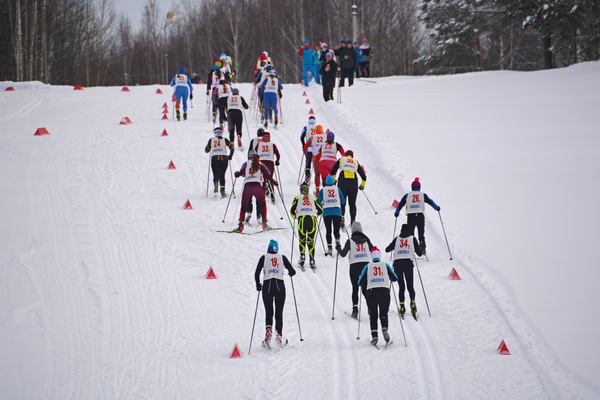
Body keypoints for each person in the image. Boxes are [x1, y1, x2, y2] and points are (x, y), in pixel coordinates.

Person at [254, 239, 296, 348]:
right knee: (278, 313)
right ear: (277, 249)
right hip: (279, 286)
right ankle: (278, 336)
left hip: (267, 286)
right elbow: (293, 271)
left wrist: (258, 285)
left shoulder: (264, 257)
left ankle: (268, 333)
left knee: (269, 312)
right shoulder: (282, 257)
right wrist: (290, 273)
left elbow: (257, 272)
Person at [358, 247, 398, 346]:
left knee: (373, 315)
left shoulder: (367, 266)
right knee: (384, 313)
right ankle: (384, 328)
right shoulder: (385, 265)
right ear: (379, 255)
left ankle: (375, 336)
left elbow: (360, 282)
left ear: (371, 256)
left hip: (371, 292)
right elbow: (395, 278)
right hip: (384, 291)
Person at [394, 177, 440, 256]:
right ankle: (422, 251)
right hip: (420, 216)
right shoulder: (422, 195)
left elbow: (400, 204)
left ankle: (412, 250)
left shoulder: (407, 195)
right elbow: (430, 201)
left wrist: (397, 212)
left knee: (411, 234)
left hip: (411, 216)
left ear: (412, 187)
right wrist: (436, 208)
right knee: (421, 234)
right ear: (419, 187)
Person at [233, 150, 278, 232]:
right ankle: (264, 223)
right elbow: (268, 176)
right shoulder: (261, 165)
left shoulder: (246, 164)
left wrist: (236, 173)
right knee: (263, 205)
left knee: (243, 207)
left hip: (247, 187)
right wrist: (274, 182)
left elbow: (239, 174)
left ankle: (240, 226)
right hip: (257, 187)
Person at [337, 221, 374, 318]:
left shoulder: (350, 241)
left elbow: (343, 254)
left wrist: (338, 248)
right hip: (366, 266)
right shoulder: (366, 240)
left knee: (355, 288)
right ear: (361, 230)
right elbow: (373, 250)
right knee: (365, 289)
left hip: (354, 266)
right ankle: (370, 308)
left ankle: (355, 309)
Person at [385, 223, 423, 318]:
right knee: (410, 286)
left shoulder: (397, 238)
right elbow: (419, 253)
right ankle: (413, 303)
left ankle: (402, 306)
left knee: (401, 287)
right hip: (408, 264)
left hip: (398, 264)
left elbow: (387, 249)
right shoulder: (412, 238)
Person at [290, 182, 323, 270]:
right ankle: (312, 260)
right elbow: (320, 210)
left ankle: (302, 257)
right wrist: (315, 215)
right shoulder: (313, 197)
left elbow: (291, 211)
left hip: (302, 219)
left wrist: (296, 217)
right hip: (312, 220)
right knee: (311, 241)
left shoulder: (297, 197)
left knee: (302, 240)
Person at [330, 149, 367, 226]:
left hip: (343, 181)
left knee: (342, 202)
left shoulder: (341, 159)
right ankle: (353, 220)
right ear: (352, 156)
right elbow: (364, 176)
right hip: (353, 183)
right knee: (352, 203)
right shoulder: (355, 162)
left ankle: (342, 219)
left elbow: (333, 171)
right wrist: (362, 185)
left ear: (345, 155)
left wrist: (334, 180)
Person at [317, 175, 346, 256]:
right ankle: (337, 241)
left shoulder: (323, 190)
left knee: (328, 230)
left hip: (327, 212)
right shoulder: (337, 189)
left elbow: (318, 201)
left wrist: (322, 204)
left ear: (326, 182)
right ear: (333, 181)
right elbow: (343, 201)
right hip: (337, 211)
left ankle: (329, 247)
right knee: (336, 229)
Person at [204, 127, 235, 198]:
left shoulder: (211, 140)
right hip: (224, 158)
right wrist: (230, 156)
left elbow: (206, 150)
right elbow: (232, 148)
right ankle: (222, 190)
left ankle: (216, 185)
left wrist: (210, 148)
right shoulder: (225, 139)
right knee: (222, 174)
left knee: (215, 174)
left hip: (215, 158)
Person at [254, 132, 280, 203]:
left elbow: (254, 152)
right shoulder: (272, 145)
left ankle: (262, 195)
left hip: (261, 162)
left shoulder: (259, 144)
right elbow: (278, 154)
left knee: (263, 179)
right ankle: (272, 193)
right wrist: (277, 161)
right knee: (270, 177)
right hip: (270, 162)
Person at [302, 124, 327, 194]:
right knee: (324, 175)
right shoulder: (326, 136)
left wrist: (307, 153)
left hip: (316, 159)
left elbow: (305, 148)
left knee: (317, 174)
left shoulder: (312, 138)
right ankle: (325, 191)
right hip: (324, 158)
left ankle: (317, 191)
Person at [299, 116, 317, 182]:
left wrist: (304, 145)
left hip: (308, 147)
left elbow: (301, 137)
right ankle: (317, 176)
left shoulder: (306, 128)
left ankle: (307, 175)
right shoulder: (317, 128)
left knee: (308, 162)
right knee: (316, 162)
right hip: (316, 148)